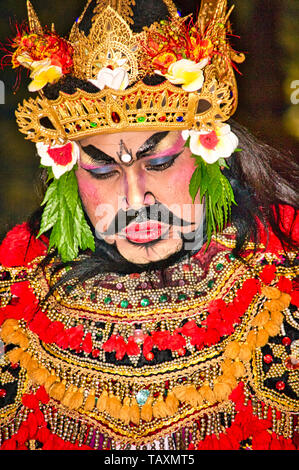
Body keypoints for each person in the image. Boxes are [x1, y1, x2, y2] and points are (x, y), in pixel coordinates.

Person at [0, 0, 298, 451]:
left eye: (158, 163)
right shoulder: (14, 292)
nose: (135, 199)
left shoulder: (286, 272)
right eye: (102, 172)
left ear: (210, 154)